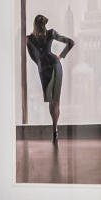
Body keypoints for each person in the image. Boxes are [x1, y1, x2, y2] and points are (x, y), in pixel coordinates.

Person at [25, 15, 75, 143]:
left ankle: (55, 131)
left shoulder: (29, 39)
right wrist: (60, 56)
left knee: (52, 100)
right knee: (56, 100)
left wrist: (41, 64)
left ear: (34, 24)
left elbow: (34, 57)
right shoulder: (51, 33)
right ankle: (55, 130)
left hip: (45, 68)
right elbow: (71, 42)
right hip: (55, 65)